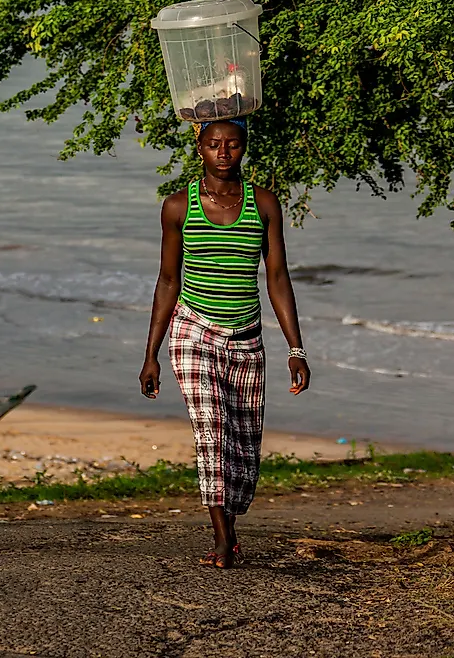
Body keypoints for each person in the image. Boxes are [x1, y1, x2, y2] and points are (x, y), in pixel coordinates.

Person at [139, 118, 311, 569]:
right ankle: (222, 537)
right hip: (193, 330)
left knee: (244, 444)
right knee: (212, 434)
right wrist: (150, 354)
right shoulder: (178, 206)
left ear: (244, 149)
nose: (223, 152)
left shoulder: (264, 204)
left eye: (232, 145)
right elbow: (168, 279)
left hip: (246, 338)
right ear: (199, 148)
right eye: (214, 144)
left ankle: (230, 521)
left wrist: (296, 348)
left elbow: (276, 277)